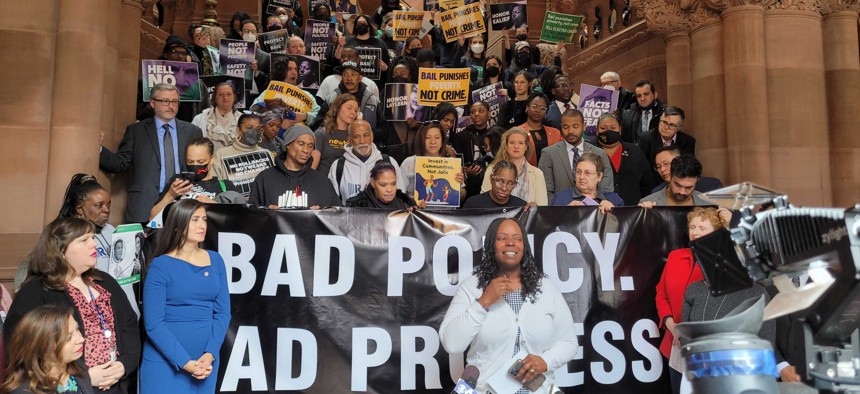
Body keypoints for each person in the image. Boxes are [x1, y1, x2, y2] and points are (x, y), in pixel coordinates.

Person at [439, 218, 578, 393]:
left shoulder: (546, 288)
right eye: (502, 238)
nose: (511, 243)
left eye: (517, 238)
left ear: (524, 246)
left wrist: (546, 361)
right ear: (491, 245)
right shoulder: (472, 287)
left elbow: (568, 342)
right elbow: (451, 343)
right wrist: (483, 302)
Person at [4, 217, 140, 393]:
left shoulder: (106, 282)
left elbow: (130, 327)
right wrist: (84, 376)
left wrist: (124, 365)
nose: (94, 244)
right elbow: (20, 347)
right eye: (84, 240)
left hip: (117, 383)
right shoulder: (35, 292)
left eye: (93, 238)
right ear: (60, 250)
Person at [140, 199, 230, 394]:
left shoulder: (216, 260)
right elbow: (154, 324)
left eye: (204, 219)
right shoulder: (160, 266)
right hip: (165, 364)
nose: (202, 225)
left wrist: (210, 353)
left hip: (205, 365)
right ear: (178, 224)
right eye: (195, 219)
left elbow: (223, 313)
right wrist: (185, 362)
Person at [101, 83, 204, 223]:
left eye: (174, 102)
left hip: (183, 202)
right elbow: (119, 163)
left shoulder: (193, 131)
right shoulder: (136, 131)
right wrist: (97, 148)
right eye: (165, 101)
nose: (171, 106)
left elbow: (200, 166)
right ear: (152, 103)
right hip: (145, 203)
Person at [656, 207, 730, 394]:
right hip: (675, 344)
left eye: (703, 228)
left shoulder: (722, 260)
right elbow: (661, 294)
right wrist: (674, 328)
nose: (695, 232)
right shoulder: (675, 257)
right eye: (693, 227)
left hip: (710, 347)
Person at [2, 305, 92, 394]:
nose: (81, 339)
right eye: (68, 338)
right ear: (43, 347)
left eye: (77, 329)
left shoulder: (78, 368)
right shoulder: (25, 391)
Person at [249, 125, 342, 209]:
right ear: (288, 144)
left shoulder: (322, 181)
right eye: (301, 144)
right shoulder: (265, 178)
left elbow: (337, 217)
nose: (306, 150)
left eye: (310, 146)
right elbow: (250, 217)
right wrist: (266, 214)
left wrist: (323, 214)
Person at [149, 137, 241, 220]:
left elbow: (237, 220)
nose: (195, 165)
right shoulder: (178, 182)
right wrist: (170, 195)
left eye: (201, 161)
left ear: (212, 159)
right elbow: (153, 217)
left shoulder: (225, 186)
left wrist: (214, 206)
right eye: (190, 161)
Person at [539, 109, 613, 202]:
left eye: (575, 126)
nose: (570, 131)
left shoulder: (600, 153)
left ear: (584, 126)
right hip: (560, 212)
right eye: (566, 127)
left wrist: (591, 208)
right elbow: (546, 192)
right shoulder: (548, 154)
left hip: (594, 212)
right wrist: (565, 209)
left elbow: (607, 190)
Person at [328, 120, 406, 203]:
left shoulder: (390, 162)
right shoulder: (338, 166)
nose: (362, 141)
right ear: (349, 140)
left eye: (366, 135)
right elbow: (332, 204)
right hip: (349, 215)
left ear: (372, 136)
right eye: (356, 136)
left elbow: (401, 200)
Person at [57, 174, 114, 273]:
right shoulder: (68, 235)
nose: (106, 210)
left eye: (108, 205)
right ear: (79, 208)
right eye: (99, 205)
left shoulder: (111, 230)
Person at [209, 113, 276, 197]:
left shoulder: (266, 153)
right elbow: (214, 185)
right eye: (249, 128)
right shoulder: (221, 154)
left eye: (258, 129)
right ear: (238, 130)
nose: (254, 132)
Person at [594, 113, 655, 205]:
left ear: (620, 129)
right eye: (603, 128)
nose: (609, 131)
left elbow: (647, 182)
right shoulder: (589, 150)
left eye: (613, 128)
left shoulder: (634, 150)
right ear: (597, 131)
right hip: (598, 208)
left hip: (631, 210)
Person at [481, 127, 548, 205]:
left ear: (526, 146)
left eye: (520, 143)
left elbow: (542, 207)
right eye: (512, 142)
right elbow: (484, 202)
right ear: (506, 145)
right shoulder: (491, 170)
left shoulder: (537, 174)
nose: (516, 146)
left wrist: (535, 207)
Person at [400, 122, 463, 201]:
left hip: (445, 212)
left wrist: (458, 186)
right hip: (417, 211)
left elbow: (463, 195)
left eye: (437, 137)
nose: (433, 142)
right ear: (421, 140)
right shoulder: (409, 163)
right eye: (427, 137)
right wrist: (409, 200)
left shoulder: (452, 163)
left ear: (442, 140)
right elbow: (398, 193)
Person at [550, 152, 624, 211]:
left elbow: (625, 226)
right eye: (578, 172)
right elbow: (548, 225)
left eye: (587, 173)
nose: (581, 177)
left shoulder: (614, 199)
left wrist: (614, 212)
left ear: (600, 176)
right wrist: (566, 212)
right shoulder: (560, 198)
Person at [451, 102, 492, 199]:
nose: (476, 114)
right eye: (473, 112)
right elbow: (458, 162)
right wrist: (467, 171)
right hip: (469, 188)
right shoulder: (461, 136)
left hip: (490, 184)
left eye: (481, 111)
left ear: (489, 114)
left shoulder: (495, 135)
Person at [325, 60, 382, 129]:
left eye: (353, 74)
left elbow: (383, 128)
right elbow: (319, 123)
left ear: (360, 77)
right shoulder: (332, 98)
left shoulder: (371, 99)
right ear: (341, 77)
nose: (349, 78)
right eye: (345, 74)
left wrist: (367, 134)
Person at [637, 106, 696, 170]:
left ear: (679, 127)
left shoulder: (688, 142)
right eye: (664, 122)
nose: (666, 127)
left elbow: (688, 167)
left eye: (671, 125)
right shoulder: (645, 139)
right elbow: (641, 166)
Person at [639, 154, 711, 206]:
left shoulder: (708, 204)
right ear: (670, 176)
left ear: (697, 180)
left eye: (688, 187)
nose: (682, 192)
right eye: (677, 185)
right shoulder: (648, 202)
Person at [312, 93, 357, 174]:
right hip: (324, 181)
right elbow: (313, 167)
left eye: (355, 110)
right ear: (337, 108)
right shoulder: (321, 134)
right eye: (349, 108)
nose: (353, 113)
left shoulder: (354, 135)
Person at [191, 82, 242, 152]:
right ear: (215, 98)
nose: (225, 98)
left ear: (234, 97)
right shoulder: (199, 119)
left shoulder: (242, 119)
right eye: (221, 95)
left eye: (229, 94)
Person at [345, 161, 417, 209]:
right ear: (373, 183)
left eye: (393, 184)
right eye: (383, 185)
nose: (389, 190)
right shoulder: (357, 206)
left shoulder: (404, 203)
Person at [462, 161, 528, 209]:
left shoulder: (521, 207)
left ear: (515, 184)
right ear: (491, 179)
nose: (504, 188)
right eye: (500, 182)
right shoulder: (474, 204)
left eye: (510, 184)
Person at [520, 92, 562, 166]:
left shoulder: (555, 133)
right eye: (534, 106)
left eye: (542, 108)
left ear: (546, 112)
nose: (537, 110)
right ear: (527, 107)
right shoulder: (518, 132)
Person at [620, 79, 664, 144]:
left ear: (655, 95)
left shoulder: (664, 113)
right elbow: (625, 140)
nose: (642, 98)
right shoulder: (628, 114)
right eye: (639, 96)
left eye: (646, 94)